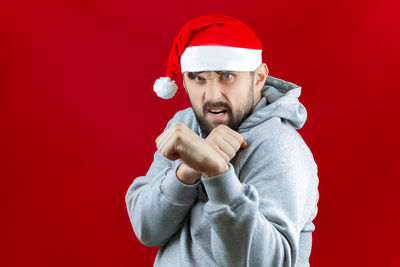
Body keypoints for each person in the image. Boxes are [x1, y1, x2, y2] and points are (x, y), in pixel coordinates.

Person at [125, 14, 319, 267]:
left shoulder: (280, 146)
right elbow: (147, 229)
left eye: (227, 76)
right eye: (198, 78)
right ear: (184, 81)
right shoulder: (185, 125)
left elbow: (270, 262)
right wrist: (187, 172)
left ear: (258, 77)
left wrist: (216, 173)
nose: (212, 95)